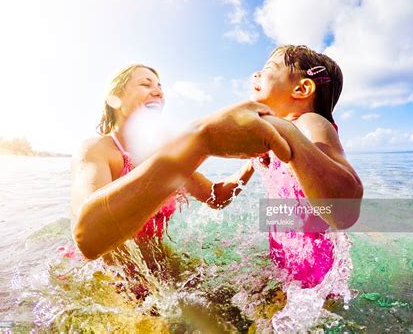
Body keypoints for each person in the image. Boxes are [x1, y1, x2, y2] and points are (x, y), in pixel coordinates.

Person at [71, 64, 290, 261]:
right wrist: (201, 139)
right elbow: (88, 241)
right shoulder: (97, 150)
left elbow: (216, 197)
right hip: (107, 282)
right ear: (115, 97)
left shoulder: (165, 155)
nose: (158, 92)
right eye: (145, 85)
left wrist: (251, 163)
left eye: (159, 86)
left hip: (157, 270)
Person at [249, 45, 363, 291]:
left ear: (302, 89)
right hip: (285, 262)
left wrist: (288, 134)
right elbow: (221, 193)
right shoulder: (271, 141)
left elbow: (345, 210)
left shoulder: (309, 123)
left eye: (267, 69)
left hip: (314, 274)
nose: (255, 74)